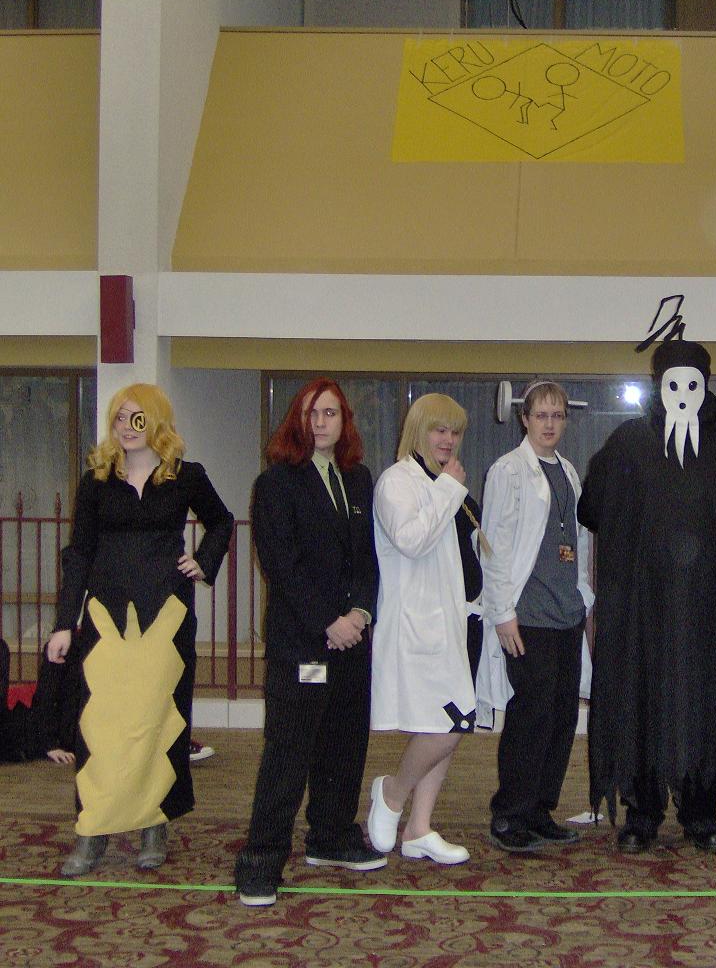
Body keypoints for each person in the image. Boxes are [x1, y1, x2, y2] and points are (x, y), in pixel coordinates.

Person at [579, 338, 716, 854]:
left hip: (708, 615)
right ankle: (642, 813)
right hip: (644, 612)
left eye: (693, 384)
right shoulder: (630, 443)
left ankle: (699, 812)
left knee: (704, 708)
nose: (683, 394)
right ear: (656, 386)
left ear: (707, 386)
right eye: (673, 384)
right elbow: (592, 507)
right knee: (641, 703)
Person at [46, 383, 232, 876]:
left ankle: (154, 823)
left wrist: (203, 561)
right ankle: (93, 829)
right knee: (99, 724)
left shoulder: (186, 476)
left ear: (156, 421)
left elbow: (221, 521)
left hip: (165, 617)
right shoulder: (96, 481)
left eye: (137, 418)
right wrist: (64, 623)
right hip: (105, 619)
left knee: (158, 722)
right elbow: (79, 553)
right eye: (119, 418)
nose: (126, 427)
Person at [234, 378, 382, 907]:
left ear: (344, 422)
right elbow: (282, 566)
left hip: (353, 639)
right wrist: (328, 622)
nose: (320, 422)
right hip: (303, 643)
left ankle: (332, 837)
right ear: (297, 421)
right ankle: (261, 861)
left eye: (330, 413)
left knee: (345, 743)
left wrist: (360, 612)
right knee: (288, 752)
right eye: (311, 413)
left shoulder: (358, 479)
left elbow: (368, 559)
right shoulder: (275, 483)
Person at [367, 394, 481, 865]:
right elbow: (411, 541)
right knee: (448, 725)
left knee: (452, 721)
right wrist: (449, 489)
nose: (448, 440)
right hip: (417, 628)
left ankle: (419, 827)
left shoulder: (442, 483)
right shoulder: (397, 482)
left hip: (452, 624)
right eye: (439, 430)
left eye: (454, 432)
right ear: (418, 431)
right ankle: (392, 792)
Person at [480, 381, 594, 853]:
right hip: (527, 617)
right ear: (524, 419)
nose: (550, 424)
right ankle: (510, 814)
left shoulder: (567, 471)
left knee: (562, 716)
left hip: (566, 614)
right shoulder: (507, 471)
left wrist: (584, 601)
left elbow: (577, 543)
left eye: (558, 415)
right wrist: (502, 613)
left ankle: (540, 810)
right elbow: (492, 546)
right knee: (531, 715)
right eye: (541, 415)